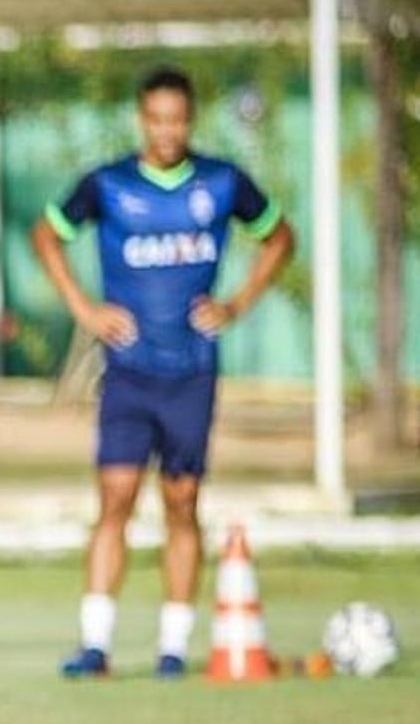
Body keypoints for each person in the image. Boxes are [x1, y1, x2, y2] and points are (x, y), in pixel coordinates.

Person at [32, 67, 294, 678]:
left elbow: (281, 237)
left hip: (192, 372)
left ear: (191, 119)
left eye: (178, 118)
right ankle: (95, 647)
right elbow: (46, 234)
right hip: (126, 373)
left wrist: (236, 303)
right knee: (115, 496)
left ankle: (173, 649)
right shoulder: (108, 185)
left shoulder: (222, 183)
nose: (168, 130)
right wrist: (83, 308)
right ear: (141, 118)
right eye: (157, 118)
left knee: (182, 502)